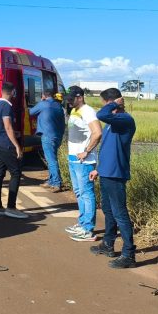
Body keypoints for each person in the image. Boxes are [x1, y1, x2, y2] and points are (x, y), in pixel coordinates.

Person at [89, 88, 138, 268]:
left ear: (111, 102)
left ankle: (129, 254)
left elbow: (101, 113)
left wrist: (113, 104)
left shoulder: (125, 119)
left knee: (120, 213)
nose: (104, 106)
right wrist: (99, 169)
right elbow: (108, 147)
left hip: (116, 173)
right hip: (107, 172)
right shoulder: (112, 121)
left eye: (105, 102)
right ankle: (108, 244)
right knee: (109, 211)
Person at [64, 85, 102, 242]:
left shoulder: (88, 111)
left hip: (84, 160)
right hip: (73, 157)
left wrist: (86, 151)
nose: (70, 102)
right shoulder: (74, 110)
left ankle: (88, 229)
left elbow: (97, 132)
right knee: (79, 192)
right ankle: (82, 223)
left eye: (72, 99)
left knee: (86, 193)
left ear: (80, 97)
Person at [0, 82, 26, 219]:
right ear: (12, 92)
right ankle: (11, 207)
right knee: (16, 173)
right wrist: (17, 145)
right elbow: (8, 127)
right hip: (6, 145)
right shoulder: (6, 107)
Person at [29, 89, 66, 192]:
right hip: (58, 136)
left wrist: (40, 102)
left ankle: (57, 183)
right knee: (52, 158)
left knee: (51, 160)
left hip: (47, 136)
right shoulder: (58, 105)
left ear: (43, 96)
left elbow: (30, 112)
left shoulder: (43, 104)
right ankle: (51, 181)